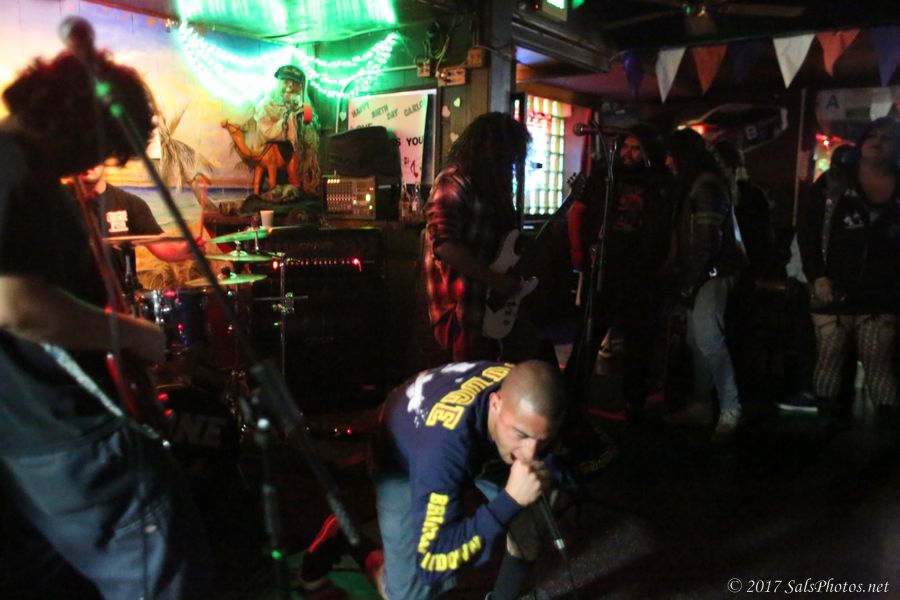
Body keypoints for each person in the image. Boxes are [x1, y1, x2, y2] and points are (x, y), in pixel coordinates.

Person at [0, 45, 211, 599]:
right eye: (101, 149)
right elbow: (17, 305)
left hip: (27, 437)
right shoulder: (14, 166)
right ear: (79, 124)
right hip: (73, 435)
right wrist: (136, 335)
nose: (93, 164)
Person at [370, 360, 566, 600]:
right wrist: (509, 501)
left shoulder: (532, 399)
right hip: (401, 448)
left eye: (542, 441)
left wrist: (548, 473)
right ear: (495, 403)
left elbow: (573, 455)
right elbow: (432, 563)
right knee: (407, 595)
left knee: (530, 520)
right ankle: (370, 559)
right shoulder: (441, 450)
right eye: (521, 435)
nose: (530, 454)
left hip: (473, 430)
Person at [790, 117, 900, 425]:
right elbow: (808, 232)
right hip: (834, 284)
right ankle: (823, 427)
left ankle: (885, 437)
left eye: (887, 137)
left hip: (883, 289)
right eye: (872, 135)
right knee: (829, 356)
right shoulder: (834, 182)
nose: (878, 141)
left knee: (879, 363)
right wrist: (817, 274)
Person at [566, 123, 672, 418]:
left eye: (636, 148)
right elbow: (578, 211)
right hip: (605, 266)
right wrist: (578, 252)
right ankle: (572, 394)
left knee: (639, 340)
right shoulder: (604, 174)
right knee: (589, 332)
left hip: (642, 270)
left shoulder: (659, 182)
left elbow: (669, 226)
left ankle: (634, 401)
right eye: (626, 146)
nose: (629, 153)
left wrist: (666, 263)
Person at [423, 112, 545, 364]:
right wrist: (496, 280)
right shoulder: (453, 181)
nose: (511, 162)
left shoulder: (495, 188)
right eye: (507, 153)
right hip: (461, 309)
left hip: (492, 305)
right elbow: (444, 245)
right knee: (468, 380)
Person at [663, 129, 746, 442]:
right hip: (706, 272)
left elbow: (705, 244)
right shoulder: (701, 184)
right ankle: (702, 404)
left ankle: (730, 407)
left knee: (709, 340)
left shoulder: (705, 187)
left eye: (672, 155)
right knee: (698, 340)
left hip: (712, 274)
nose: (668, 162)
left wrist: (689, 284)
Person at [251, 64, 320, 195]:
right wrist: (288, 117)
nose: (290, 86)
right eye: (286, 81)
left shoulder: (304, 104)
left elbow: (309, 120)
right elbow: (267, 130)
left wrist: (300, 110)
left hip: (294, 153)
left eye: (294, 83)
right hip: (274, 150)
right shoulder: (267, 104)